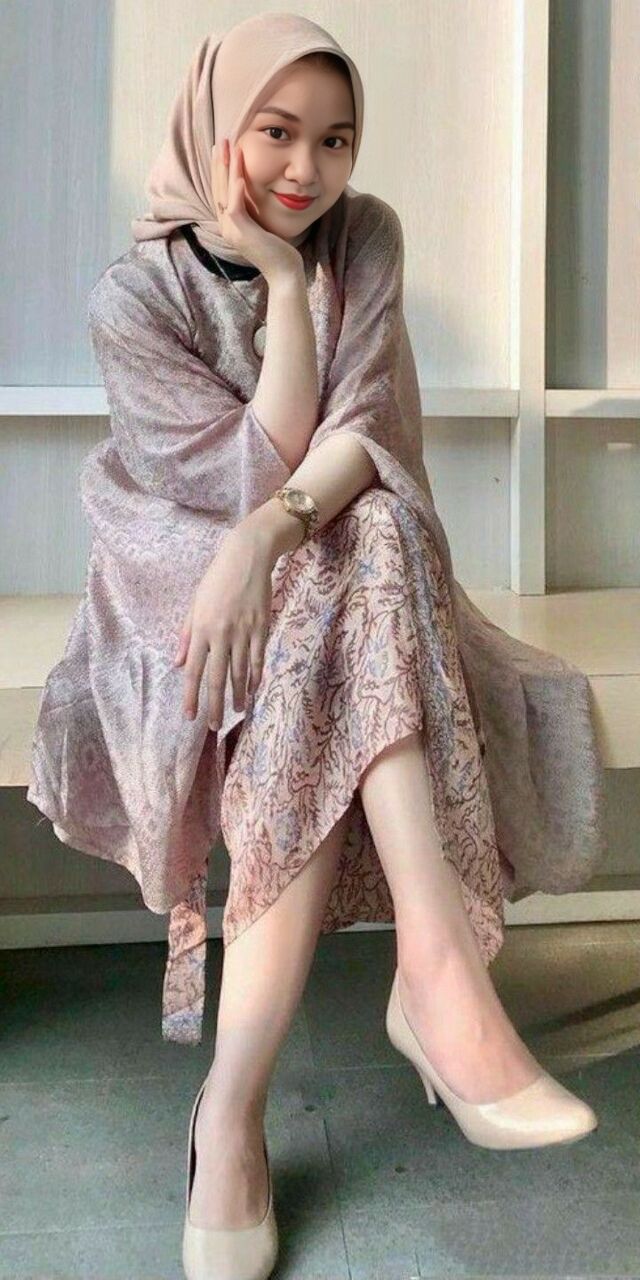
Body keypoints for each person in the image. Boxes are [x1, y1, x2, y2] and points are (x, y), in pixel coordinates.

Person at [26, 13, 606, 1279]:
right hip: (173, 574)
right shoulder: (134, 296)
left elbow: (363, 435)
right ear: (213, 126)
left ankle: (230, 1110)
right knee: (354, 560)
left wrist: (269, 531)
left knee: (368, 544)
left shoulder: (367, 234)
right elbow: (253, 468)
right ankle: (434, 980)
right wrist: (281, 301)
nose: (307, 170)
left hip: (314, 559)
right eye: (276, 132)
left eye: (335, 141)